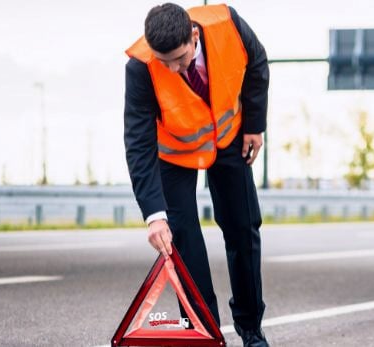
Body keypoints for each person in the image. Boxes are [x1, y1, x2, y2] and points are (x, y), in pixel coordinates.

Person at [123, 3, 269, 346]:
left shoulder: (227, 24)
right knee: (182, 240)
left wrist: (254, 126)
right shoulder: (140, 66)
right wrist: (154, 217)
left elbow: (258, 65)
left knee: (243, 227)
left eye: (179, 58)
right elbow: (138, 141)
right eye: (164, 61)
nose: (172, 68)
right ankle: (205, 335)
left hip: (228, 135)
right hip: (174, 152)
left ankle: (251, 329)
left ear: (192, 36)